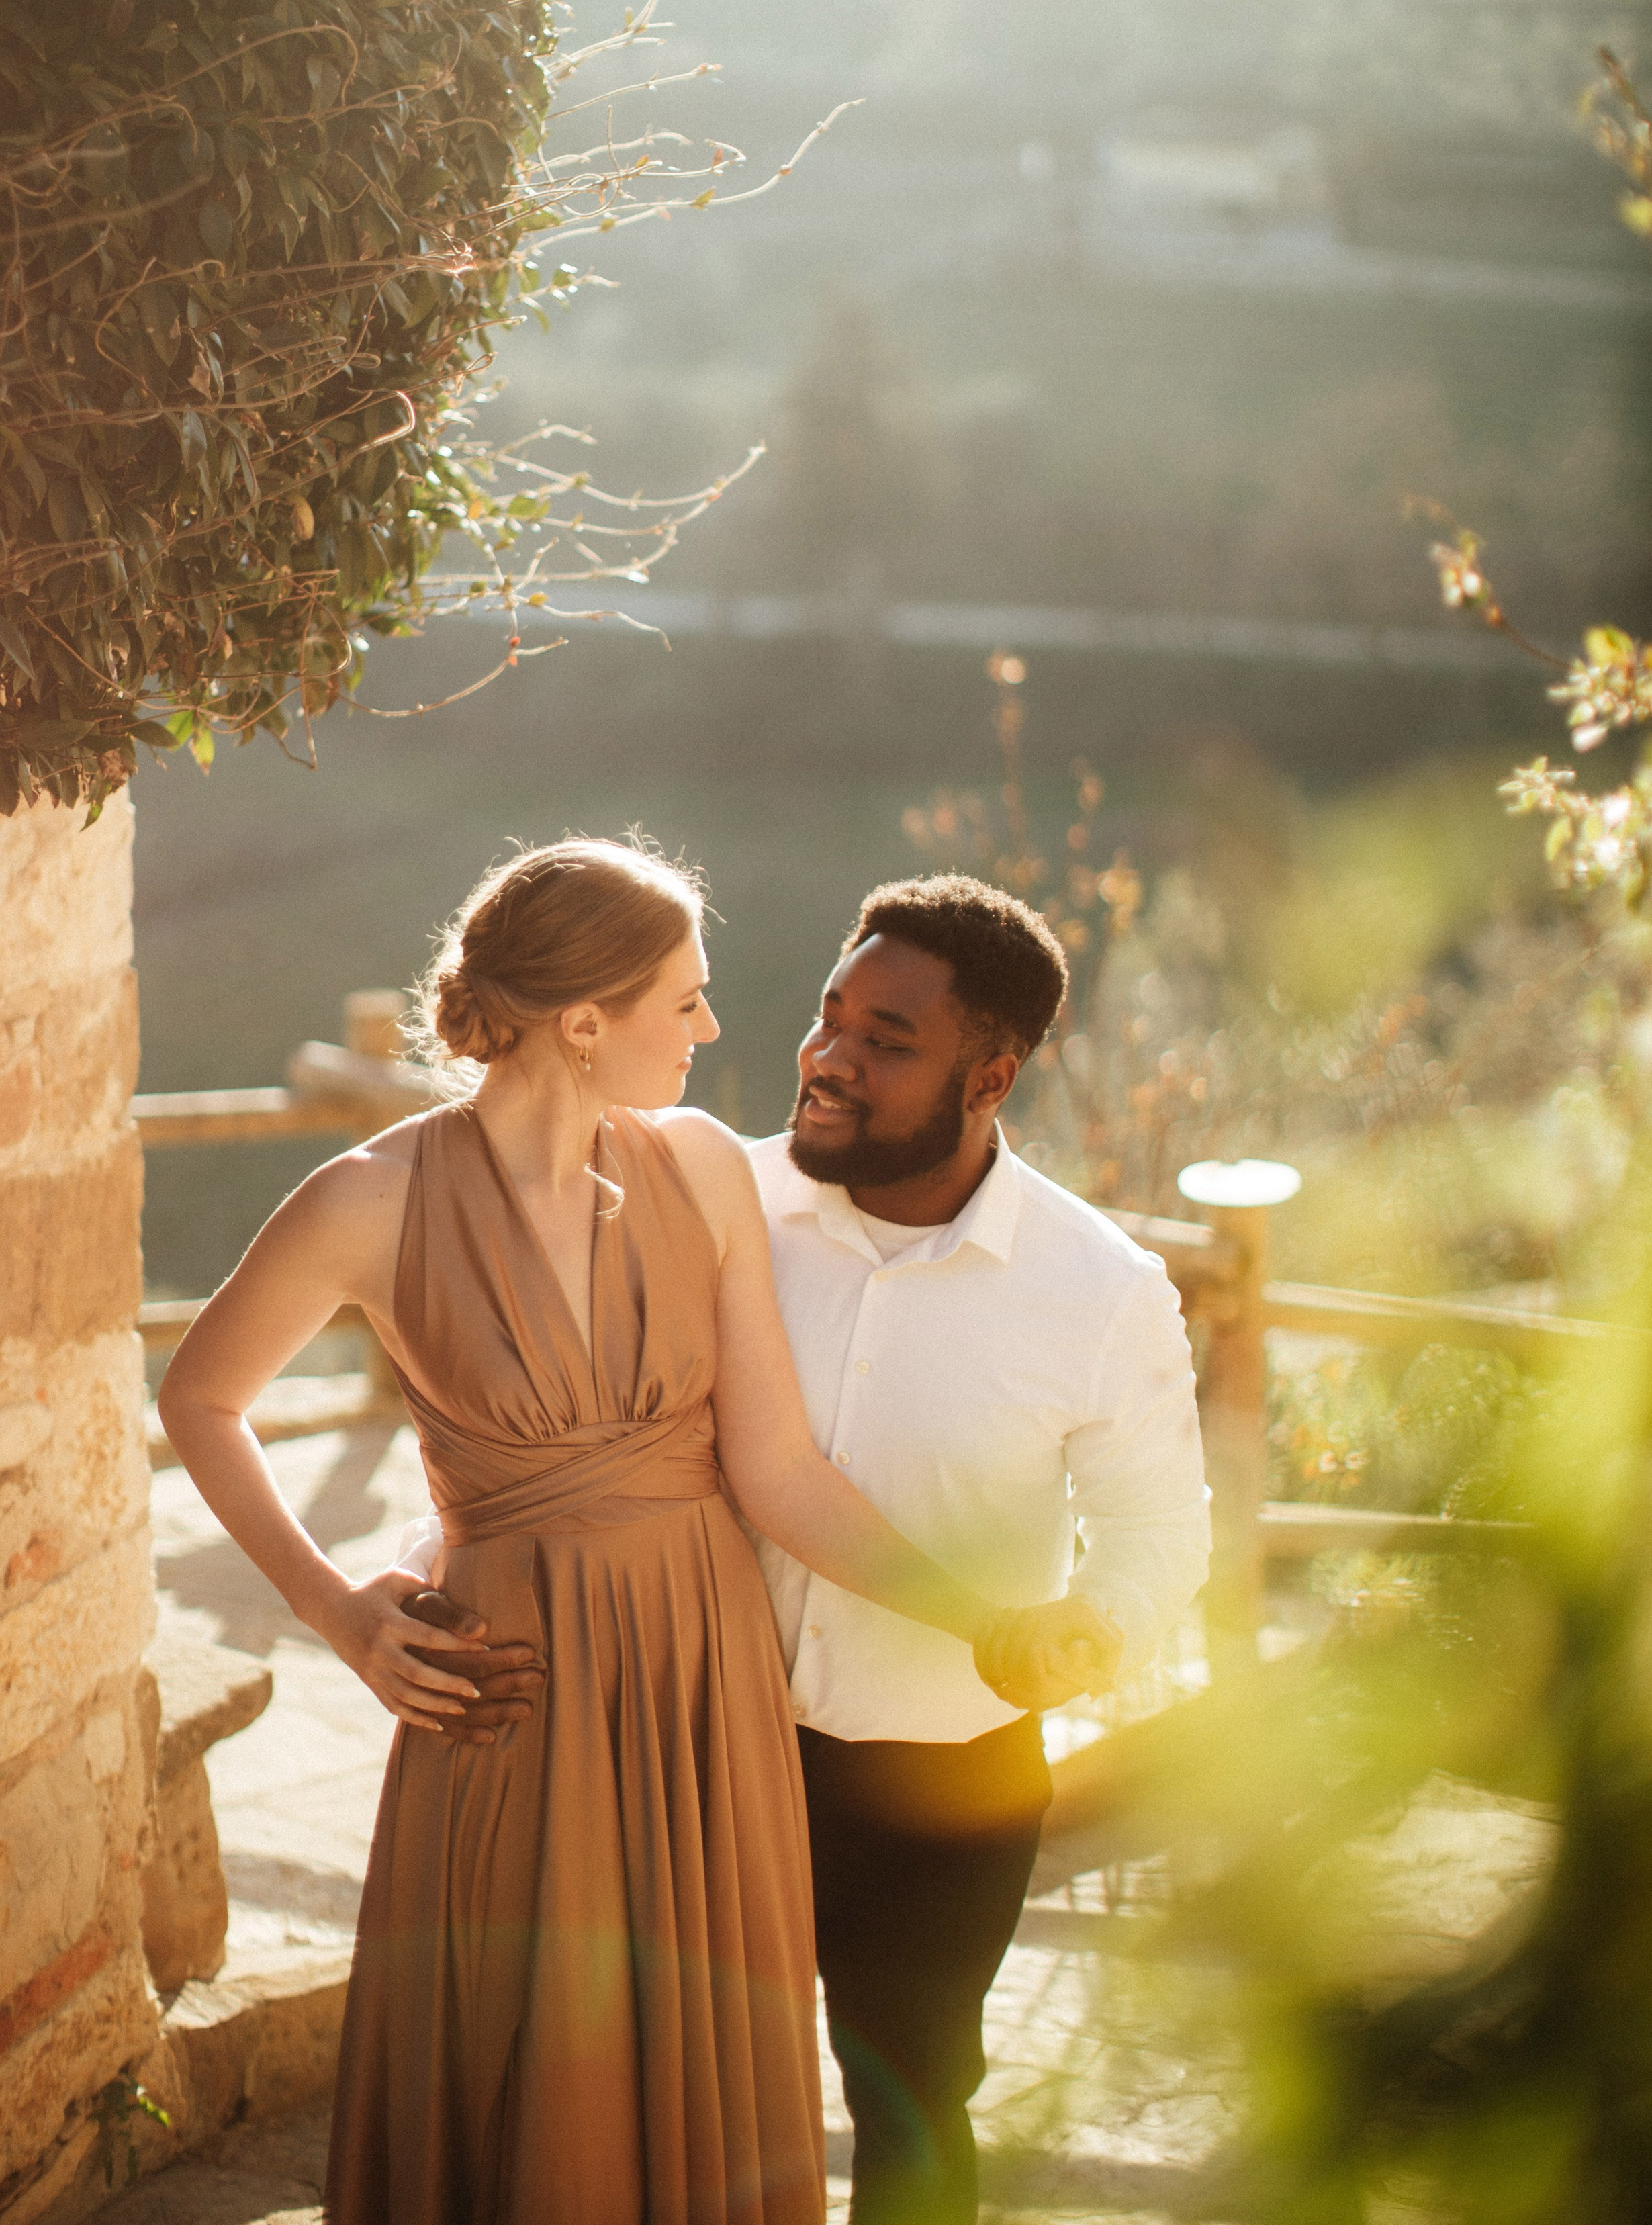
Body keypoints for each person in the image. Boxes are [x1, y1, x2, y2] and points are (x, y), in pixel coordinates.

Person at [156, 839, 1103, 2225]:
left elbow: (778, 1472)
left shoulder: (702, 1170)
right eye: (685, 999)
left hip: (701, 1685)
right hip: (511, 1694)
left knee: (698, 2069)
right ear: (584, 1020)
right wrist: (337, 1613)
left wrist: (988, 1620)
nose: (715, 1030)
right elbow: (202, 1396)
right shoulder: (369, 1199)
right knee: (527, 2058)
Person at [751, 874, 1211, 2225]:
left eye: (887, 1040)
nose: (831, 1056)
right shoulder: (726, 1207)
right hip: (707, 1739)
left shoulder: (1100, 1290)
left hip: (944, 1781)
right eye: (830, 1014)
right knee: (682, 2073)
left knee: (907, 2096)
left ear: (988, 1076)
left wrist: (1096, 1627)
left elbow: (1153, 1526)